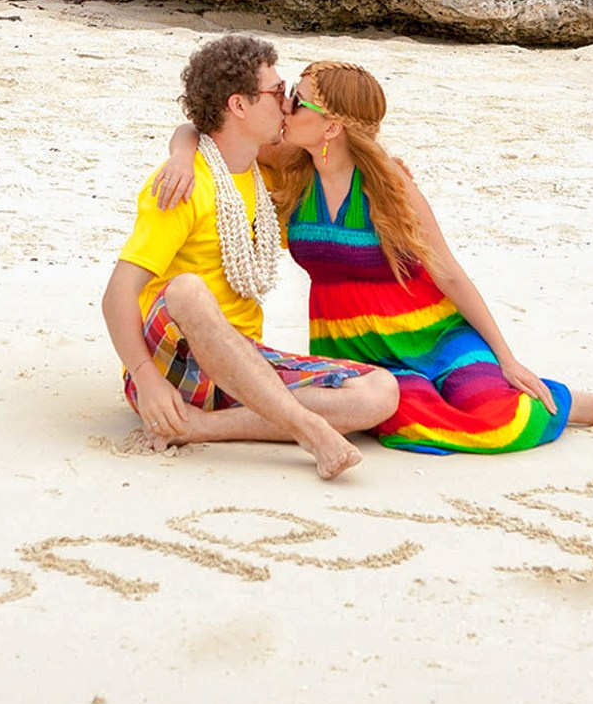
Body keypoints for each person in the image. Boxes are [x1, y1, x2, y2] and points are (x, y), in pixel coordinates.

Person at [157, 60, 593, 454]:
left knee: (494, 415)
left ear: (332, 126)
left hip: (431, 331)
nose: (285, 105)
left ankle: (570, 403)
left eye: (298, 100)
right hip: (354, 345)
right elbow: (202, 129)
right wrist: (181, 156)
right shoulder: (287, 164)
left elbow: (448, 272)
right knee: (411, 419)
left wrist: (509, 358)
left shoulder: (388, 183)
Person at [101, 35, 399, 480]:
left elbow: (338, 149)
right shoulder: (183, 184)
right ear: (239, 105)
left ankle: (203, 427)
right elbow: (117, 295)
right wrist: (145, 379)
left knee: (380, 392)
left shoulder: (266, 174)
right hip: (171, 367)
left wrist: (387, 173)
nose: (287, 103)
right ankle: (309, 430)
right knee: (187, 289)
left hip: (242, 365)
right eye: (277, 92)